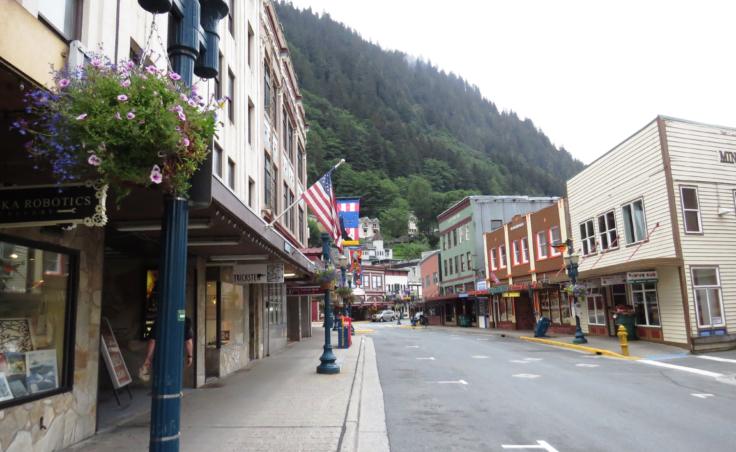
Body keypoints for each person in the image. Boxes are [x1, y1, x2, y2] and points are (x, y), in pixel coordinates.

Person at [139, 316, 194, 382]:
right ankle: (176, 391)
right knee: (175, 379)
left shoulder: (159, 319)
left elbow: (152, 341)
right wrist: (190, 356)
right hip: (177, 357)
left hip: (160, 356)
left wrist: (148, 358)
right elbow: (188, 342)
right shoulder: (186, 321)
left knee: (159, 379)